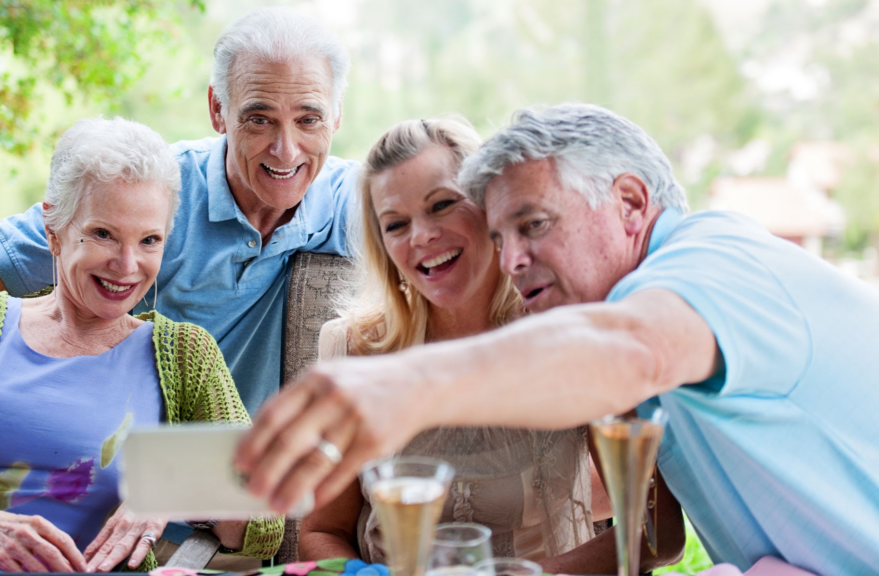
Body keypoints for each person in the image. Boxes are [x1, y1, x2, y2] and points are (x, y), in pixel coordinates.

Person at [234, 103, 879, 575]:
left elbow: (631, 352)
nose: (512, 259)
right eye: (500, 235)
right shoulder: (636, 333)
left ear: (631, 203)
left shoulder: (715, 263)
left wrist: (409, 385)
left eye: (534, 223)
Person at [0, 7, 357, 527]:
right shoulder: (147, 193)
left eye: (309, 119)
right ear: (218, 109)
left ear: (336, 116)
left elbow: (418, 216)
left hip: (208, 512)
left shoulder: (349, 202)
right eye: (258, 118)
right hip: (76, 498)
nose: (285, 149)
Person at [0, 118, 283, 573]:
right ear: (53, 228)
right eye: (103, 234)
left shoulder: (185, 356)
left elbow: (265, 520)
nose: (127, 265)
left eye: (149, 240)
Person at [299, 117, 681, 574]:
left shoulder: (568, 333)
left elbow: (657, 532)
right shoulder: (354, 349)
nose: (421, 236)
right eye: (396, 224)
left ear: (490, 207)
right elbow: (322, 531)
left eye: (442, 205)